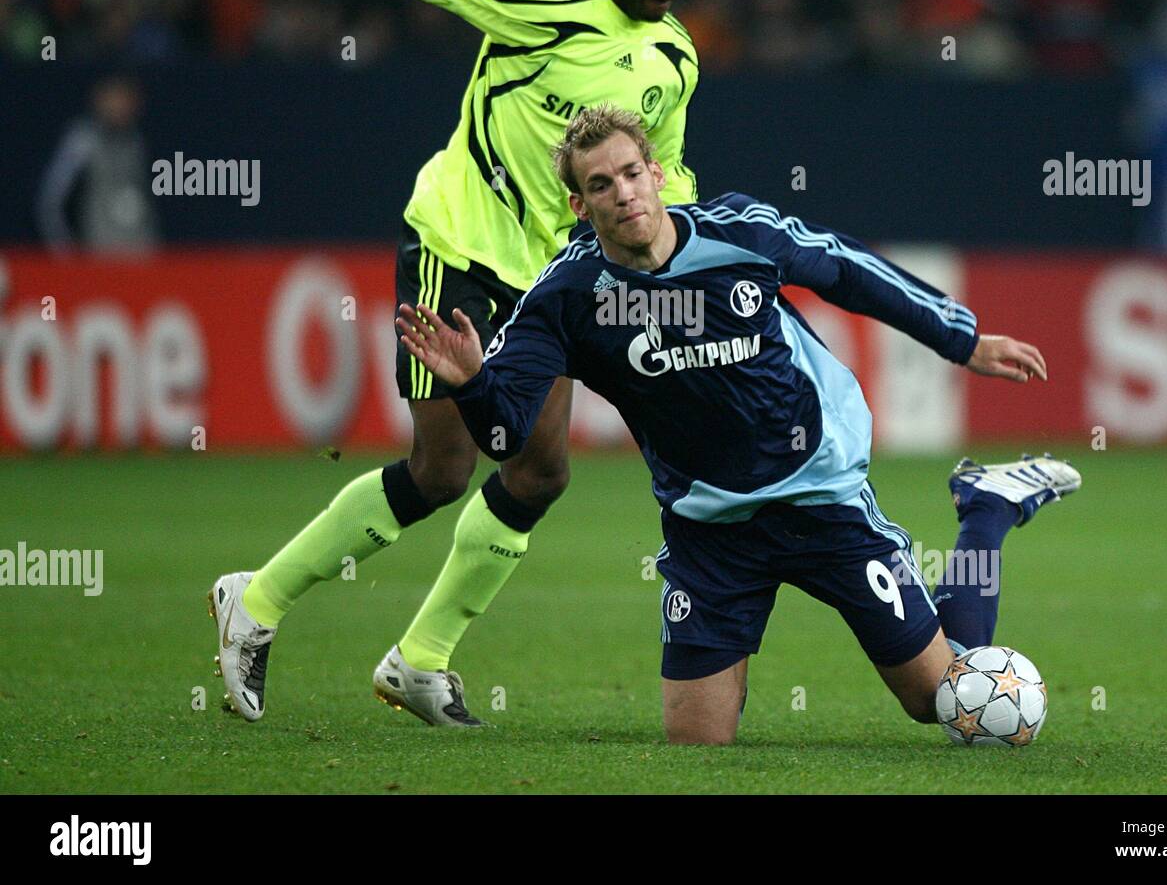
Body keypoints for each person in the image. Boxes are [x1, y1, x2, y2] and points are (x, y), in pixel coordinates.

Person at [396, 104, 1080, 744]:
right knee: (698, 743)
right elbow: (503, 438)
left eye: (633, 173)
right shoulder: (566, 298)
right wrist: (475, 385)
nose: (624, 192)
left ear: (657, 173)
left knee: (940, 701)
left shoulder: (739, 232)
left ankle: (986, 509)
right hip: (709, 530)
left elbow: (846, 268)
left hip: (819, 492)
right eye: (601, 184)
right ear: (579, 204)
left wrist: (962, 338)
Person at [195, 0, 702, 725]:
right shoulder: (540, 3)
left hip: (549, 280)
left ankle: (419, 659)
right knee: (443, 467)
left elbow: (667, 168)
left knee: (539, 470)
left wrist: (674, 235)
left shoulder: (675, 56)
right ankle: (258, 596)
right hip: (458, 244)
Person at [37, 76, 159, 254]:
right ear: (99, 100)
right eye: (115, 98)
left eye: (127, 100)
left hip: (140, 253)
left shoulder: (136, 142)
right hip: (99, 255)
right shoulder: (81, 141)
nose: (120, 107)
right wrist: (65, 254)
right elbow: (51, 202)